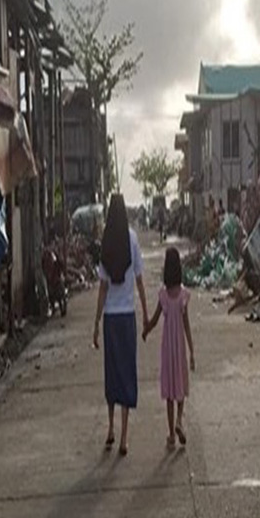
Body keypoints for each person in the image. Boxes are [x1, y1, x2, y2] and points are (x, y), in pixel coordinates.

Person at [92, 194, 149, 456]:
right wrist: (147, 314)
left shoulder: (106, 242)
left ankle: (111, 428)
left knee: (112, 375)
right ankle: (125, 436)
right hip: (127, 317)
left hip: (111, 319)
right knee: (127, 373)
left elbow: (102, 288)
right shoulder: (133, 239)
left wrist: (96, 323)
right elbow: (139, 280)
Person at [142, 247, 195, 449]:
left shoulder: (163, 296)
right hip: (180, 346)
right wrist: (191, 351)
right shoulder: (183, 296)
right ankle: (180, 421)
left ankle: (172, 435)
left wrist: (146, 330)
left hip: (167, 348)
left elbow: (155, 320)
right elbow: (187, 325)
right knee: (181, 385)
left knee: (170, 392)